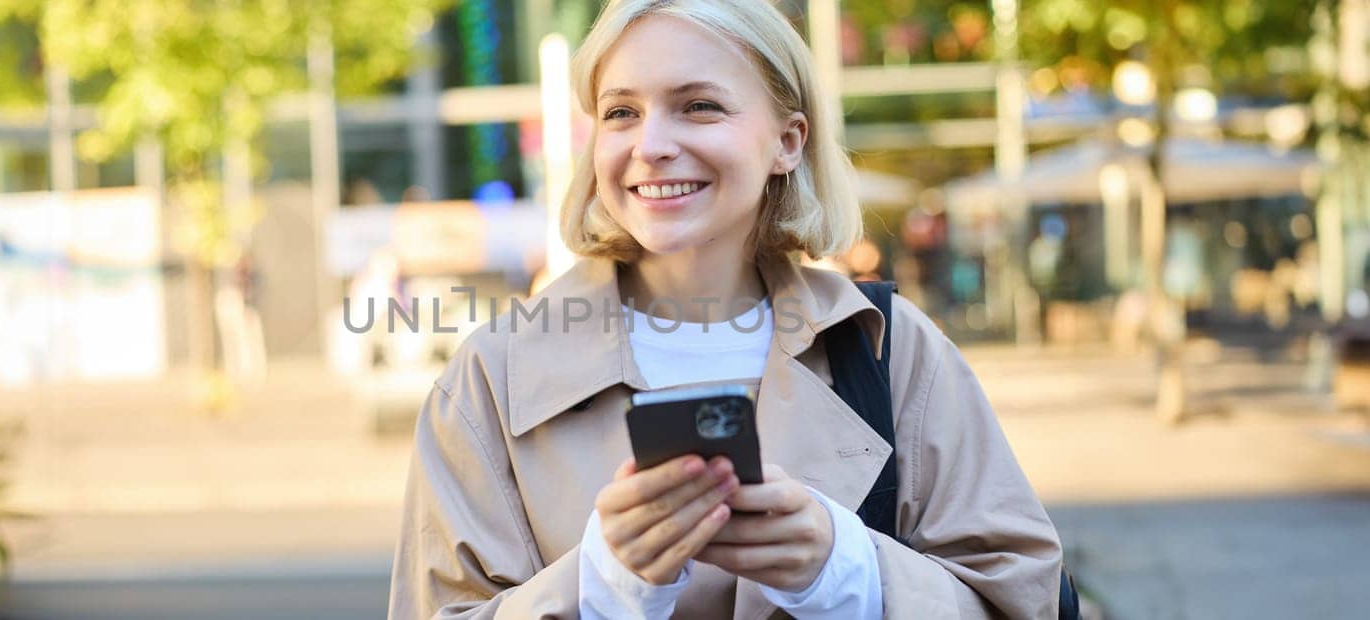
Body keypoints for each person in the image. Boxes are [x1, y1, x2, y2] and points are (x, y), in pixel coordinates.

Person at [389, 1, 1063, 617]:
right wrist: (601, 584)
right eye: (621, 112)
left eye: (699, 105)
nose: (650, 145)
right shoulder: (489, 377)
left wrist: (845, 570)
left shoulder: (892, 348)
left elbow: (1020, 599)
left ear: (788, 141)